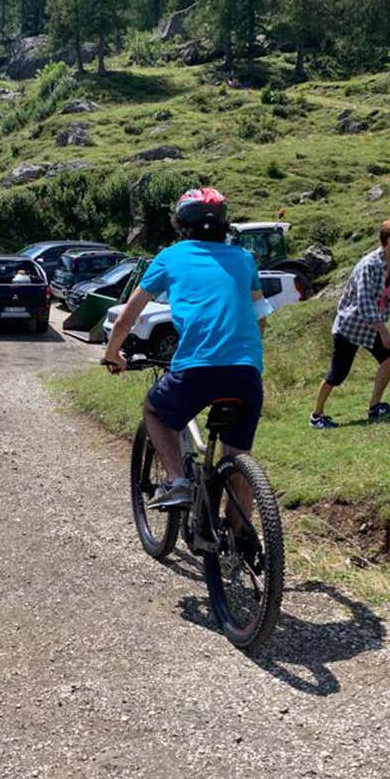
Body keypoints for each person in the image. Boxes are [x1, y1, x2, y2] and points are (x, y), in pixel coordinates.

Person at [102, 187, 270, 544]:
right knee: (237, 453)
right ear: (224, 223)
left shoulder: (171, 257)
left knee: (155, 410)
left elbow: (127, 316)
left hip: (197, 368)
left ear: (181, 224)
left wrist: (112, 354)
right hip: (245, 371)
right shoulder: (243, 258)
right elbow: (260, 318)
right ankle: (239, 533)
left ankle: (177, 480)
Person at [309, 217, 390, 429]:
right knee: (337, 374)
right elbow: (364, 301)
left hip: (370, 326)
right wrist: (384, 332)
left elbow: (384, 300)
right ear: (389, 241)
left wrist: (381, 328)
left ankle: (375, 407)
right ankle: (316, 416)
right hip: (351, 327)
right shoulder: (370, 265)